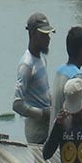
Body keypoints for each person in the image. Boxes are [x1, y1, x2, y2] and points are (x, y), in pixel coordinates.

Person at [13, 12, 55, 144]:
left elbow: (44, 92)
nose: (48, 39)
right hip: (37, 132)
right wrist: (43, 113)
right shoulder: (26, 65)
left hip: (48, 126)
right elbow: (17, 104)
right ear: (32, 34)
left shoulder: (42, 58)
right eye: (43, 35)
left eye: (48, 35)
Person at [48, 26, 82, 135]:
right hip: (66, 136)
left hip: (53, 131)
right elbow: (78, 111)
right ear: (81, 51)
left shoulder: (60, 70)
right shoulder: (77, 76)